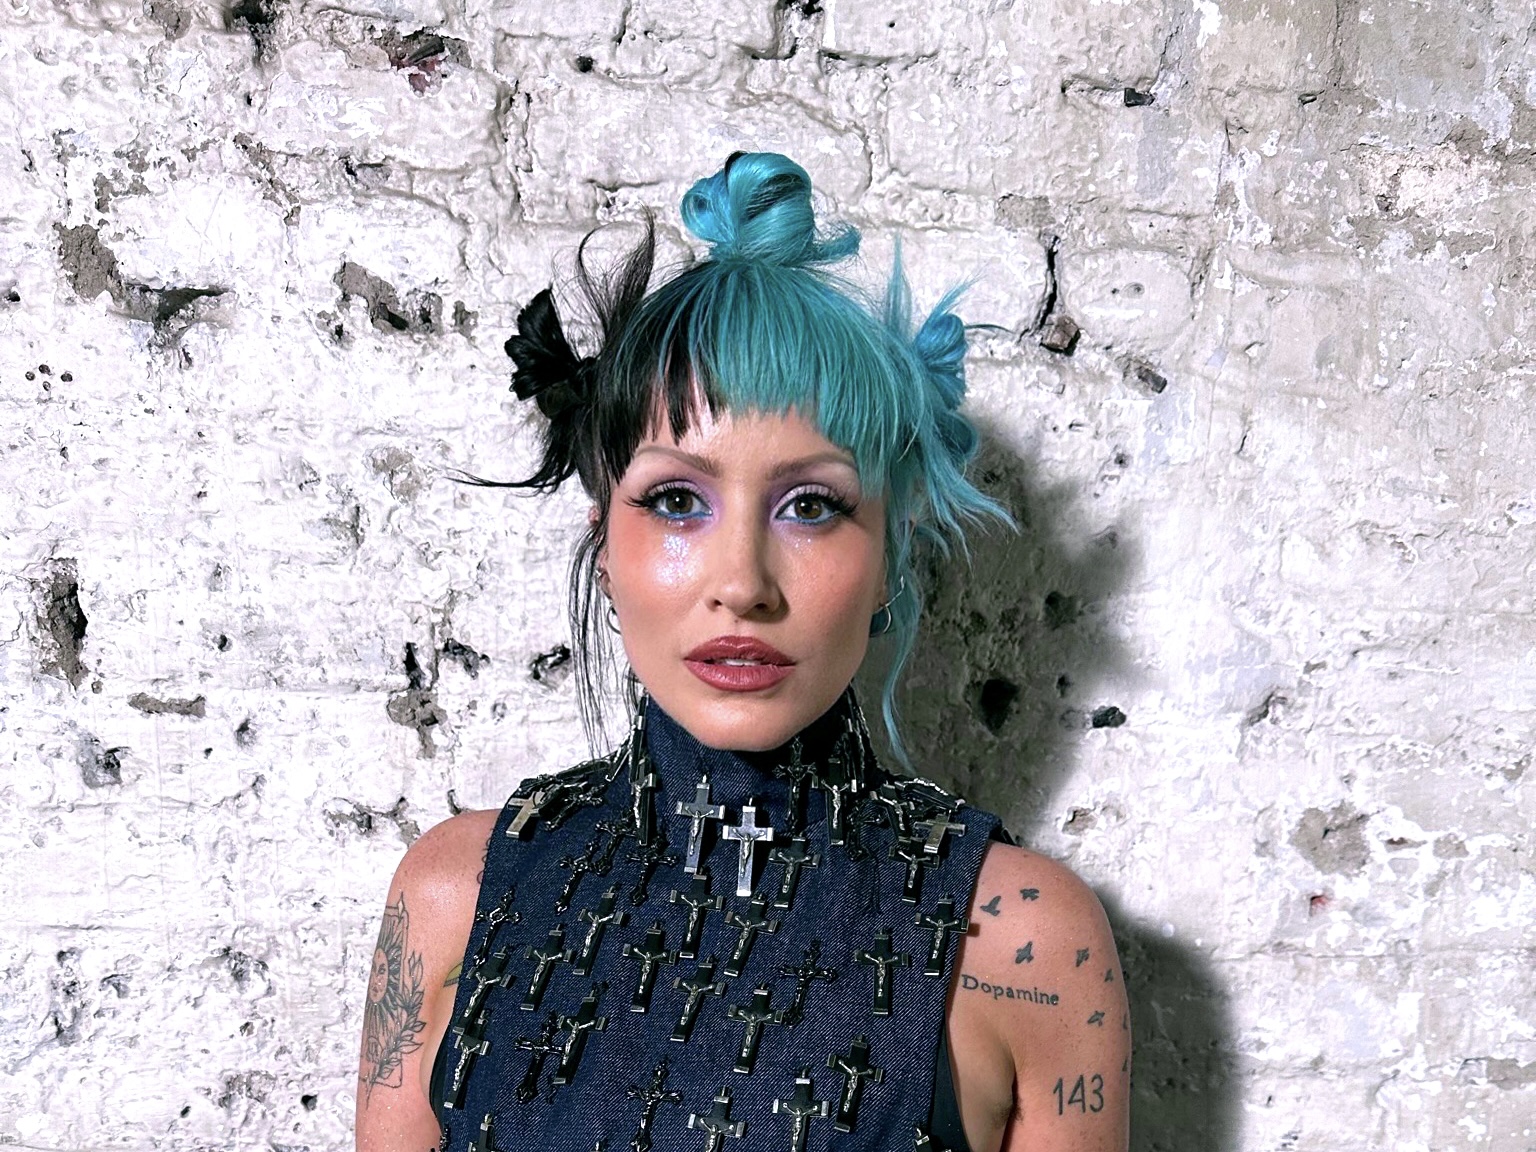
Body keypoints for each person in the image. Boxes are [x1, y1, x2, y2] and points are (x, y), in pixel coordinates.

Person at [355, 152, 1130, 1152]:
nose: (742, 581)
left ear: (888, 559)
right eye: (677, 499)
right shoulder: (451, 895)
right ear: (605, 545)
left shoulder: (1029, 940)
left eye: (812, 507)